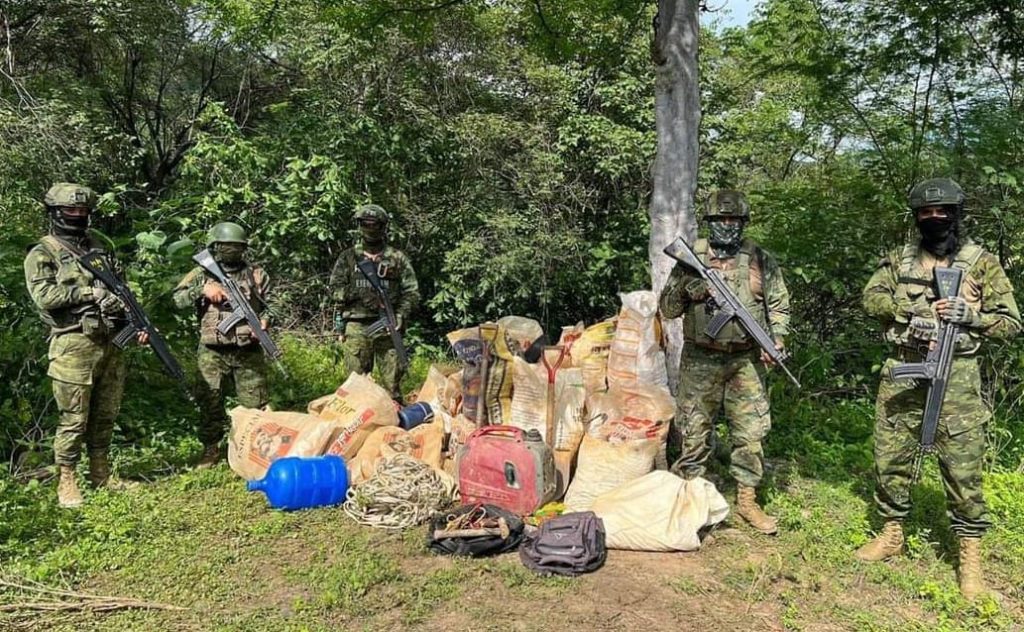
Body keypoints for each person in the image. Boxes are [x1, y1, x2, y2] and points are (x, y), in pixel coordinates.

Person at [856, 178, 1020, 600]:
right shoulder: (900, 259)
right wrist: (905, 309)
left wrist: (971, 316)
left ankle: (970, 558)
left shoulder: (982, 263)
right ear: (916, 217)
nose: (934, 218)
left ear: (957, 214)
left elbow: (1011, 323)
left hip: (958, 379)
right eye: (926, 212)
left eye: (942, 211)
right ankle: (892, 532)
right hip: (905, 369)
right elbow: (870, 298)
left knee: (963, 469)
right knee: (890, 455)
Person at [659, 190, 791, 535]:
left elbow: (779, 306)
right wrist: (689, 289)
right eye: (721, 219)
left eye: (734, 219)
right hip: (700, 358)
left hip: (745, 359)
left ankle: (746, 500)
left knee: (751, 432)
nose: (727, 225)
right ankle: (688, 497)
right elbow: (667, 310)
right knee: (694, 428)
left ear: (744, 222)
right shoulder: (691, 259)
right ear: (710, 222)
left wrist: (777, 338)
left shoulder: (760, 260)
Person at [24, 183, 147, 507]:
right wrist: (90, 293)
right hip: (73, 344)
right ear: (55, 212)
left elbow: (121, 287)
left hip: (111, 341)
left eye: (83, 211)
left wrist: (134, 320)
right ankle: (67, 480)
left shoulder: (100, 249)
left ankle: (101, 474)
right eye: (71, 210)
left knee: (106, 413)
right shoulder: (43, 252)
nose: (77, 215)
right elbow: (44, 296)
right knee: (74, 418)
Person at [173, 222, 271, 468]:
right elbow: (177, 300)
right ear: (215, 247)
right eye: (226, 246)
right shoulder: (201, 273)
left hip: (247, 349)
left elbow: (275, 303)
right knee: (210, 400)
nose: (231, 250)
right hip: (212, 351)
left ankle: (253, 450)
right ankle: (211, 449)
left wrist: (265, 321)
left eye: (237, 246)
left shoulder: (257, 275)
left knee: (256, 403)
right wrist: (202, 290)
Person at [329, 204, 419, 401]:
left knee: (392, 387)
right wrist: (358, 293)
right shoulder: (349, 257)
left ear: (383, 226)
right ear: (360, 226)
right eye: (365, 224)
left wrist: (400, 314)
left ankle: (393, 418)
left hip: (388, 325)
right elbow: (334, 290)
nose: (370, 228)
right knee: (356, 388)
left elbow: (411, 292)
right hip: (357, 325)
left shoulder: (396, 258)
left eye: (374, 224)